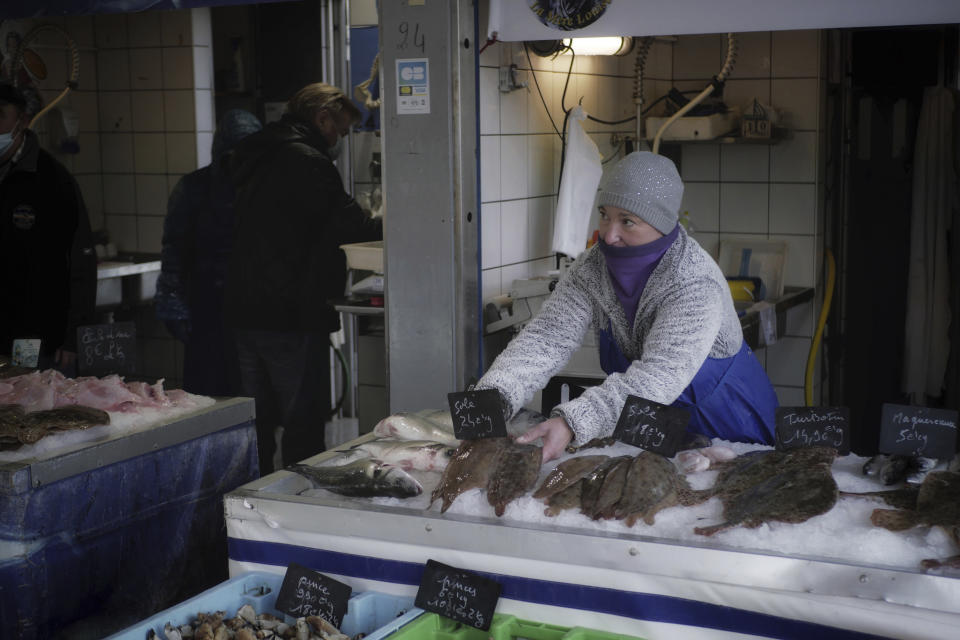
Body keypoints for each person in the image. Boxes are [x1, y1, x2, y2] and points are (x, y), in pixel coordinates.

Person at [477, 151, 778, 462]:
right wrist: (493, 399)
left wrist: (572, 421)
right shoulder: (594, 267)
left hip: (728, 424)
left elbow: (659, 377)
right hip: (653, 427)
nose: (609, 234)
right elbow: (546, 339)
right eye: (605, 214)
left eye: (627, 221)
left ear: (661, 224)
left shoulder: (694, 281)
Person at [224, 82, 382, 475]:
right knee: (302, 422)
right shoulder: (306, 161)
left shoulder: (253, 153)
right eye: (340, 131)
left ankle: (251, 500)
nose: (339, 140)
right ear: (322, 117)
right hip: (290, 312)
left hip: (244, 309)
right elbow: (352, 225)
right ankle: (297, 504)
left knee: (255, 419)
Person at [155, 109, 262, 396]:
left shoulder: (263, 188)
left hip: (254, 313)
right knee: (207, 396)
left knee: (252, 400)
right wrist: (172, 303)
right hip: (206, 310)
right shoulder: (193, 188)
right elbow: (174, 249)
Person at [0, 82, 96, 371]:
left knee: (31, 409)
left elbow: (80, 259)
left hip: (33, 339)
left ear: (23, 120)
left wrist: (72, 336)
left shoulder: (52, 180)